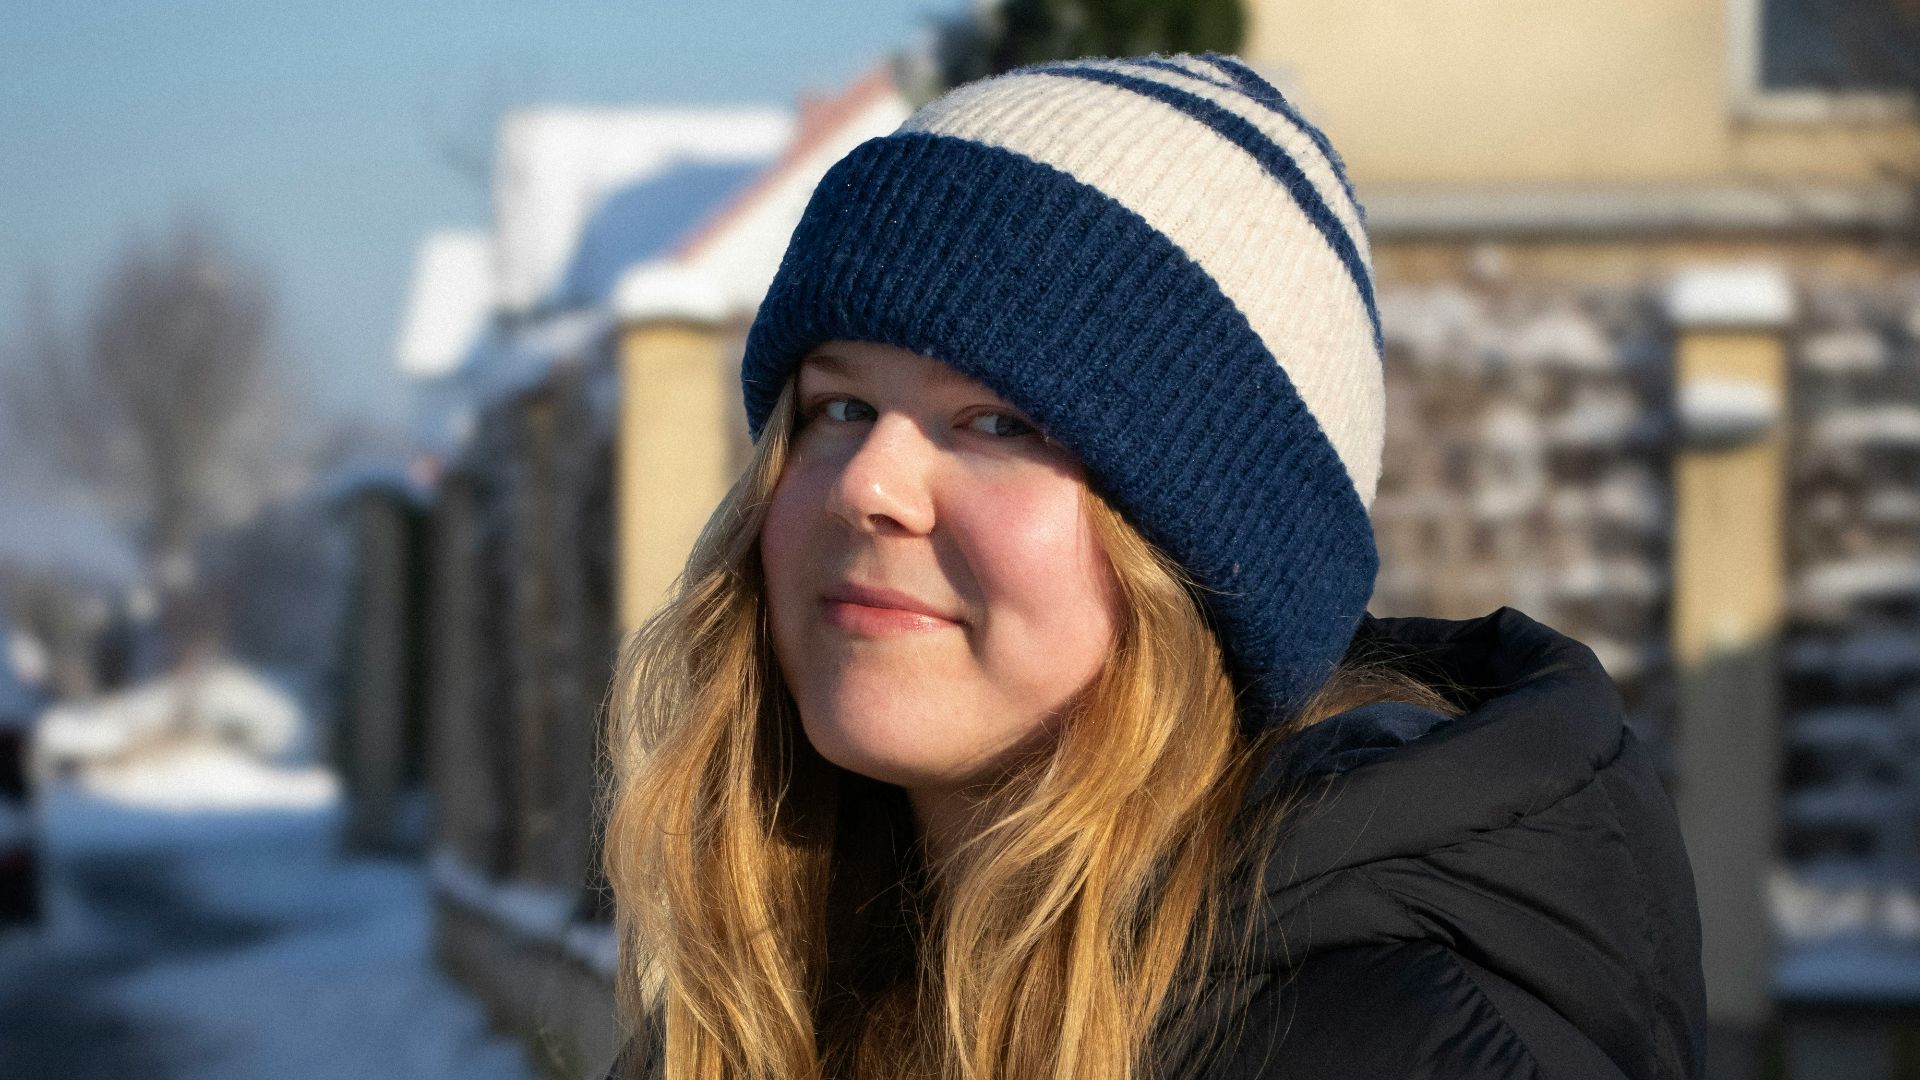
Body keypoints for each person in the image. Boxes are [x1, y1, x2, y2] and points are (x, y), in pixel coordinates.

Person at [602, 50, 1705, 1080]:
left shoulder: (1402, 1042)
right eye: (839, 406)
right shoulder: (758, 998)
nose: (866, 485)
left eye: (998, 424)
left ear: (1198, 558)